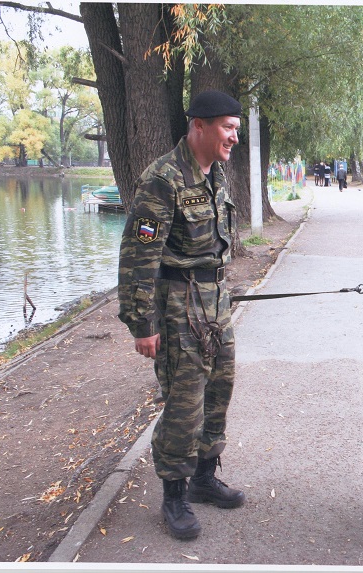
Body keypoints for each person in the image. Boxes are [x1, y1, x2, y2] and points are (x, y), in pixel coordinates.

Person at [117, 89, 246, 540]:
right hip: (176, 308)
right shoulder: (163, 178)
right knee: (184, 403)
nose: (235, 136)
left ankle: (204, 478)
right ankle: (174, 495)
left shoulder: (215, 176)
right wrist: (142, 324)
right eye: (228, 127)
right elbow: (138, 257)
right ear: (200, 125)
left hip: (216, 305)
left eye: (236, 127)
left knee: (219, 391)